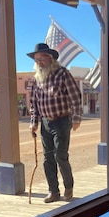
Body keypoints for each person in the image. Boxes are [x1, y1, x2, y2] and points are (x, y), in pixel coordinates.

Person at [27, 42, 82, 203]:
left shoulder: (62, 73)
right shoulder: (37, 79)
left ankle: (68, 187)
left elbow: (75, 97)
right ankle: (53, 191)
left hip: (62, 121)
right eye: (36, 60)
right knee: (47, 158)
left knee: (60, 156)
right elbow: (34, 104)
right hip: (45, 123)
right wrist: (34, 122)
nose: (39, 62)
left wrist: (76, 118)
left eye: (41, 59)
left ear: (50, 58)